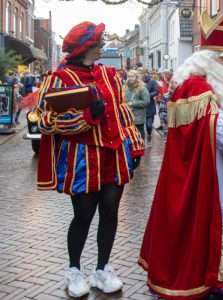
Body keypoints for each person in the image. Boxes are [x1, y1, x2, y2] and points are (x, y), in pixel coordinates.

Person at [138, 7, 223, 299]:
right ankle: (207, 274)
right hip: (204, 168)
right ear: (209, 61)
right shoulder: (197, 86)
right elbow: (217, 125)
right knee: (209, 215)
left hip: (217, 163)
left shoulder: (208, 85)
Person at [36, 22, 145, 298]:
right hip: (82, 159)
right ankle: (74, 270)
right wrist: (85, 118)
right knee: (83, 215)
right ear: (87, 47)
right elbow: (46, 121)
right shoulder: (59, 78)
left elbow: (122, 110)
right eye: (99, 41)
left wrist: (133, 144)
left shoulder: (110, 75)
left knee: (110, 211)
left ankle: (102, 268)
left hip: (113, 153)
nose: (102, 44)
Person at [124, 70, 150, 141]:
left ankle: (141, 146)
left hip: (138, 116)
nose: (130, 78)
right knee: (129, 134)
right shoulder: (125, 87)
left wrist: (133, 103)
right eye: (129, 76)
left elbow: (146, 101)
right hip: (127, 115)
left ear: (136, 77)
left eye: (132, 76)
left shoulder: (142, 88)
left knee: (139, 134)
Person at [144, 71, 159, 145]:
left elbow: (156, 91)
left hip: (150, 105)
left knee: (149, 124)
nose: (144, 76)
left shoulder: (152, 82)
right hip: (140, 108)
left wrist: (147, 95)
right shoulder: (138, 82)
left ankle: (149, 134)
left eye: (145, 74)